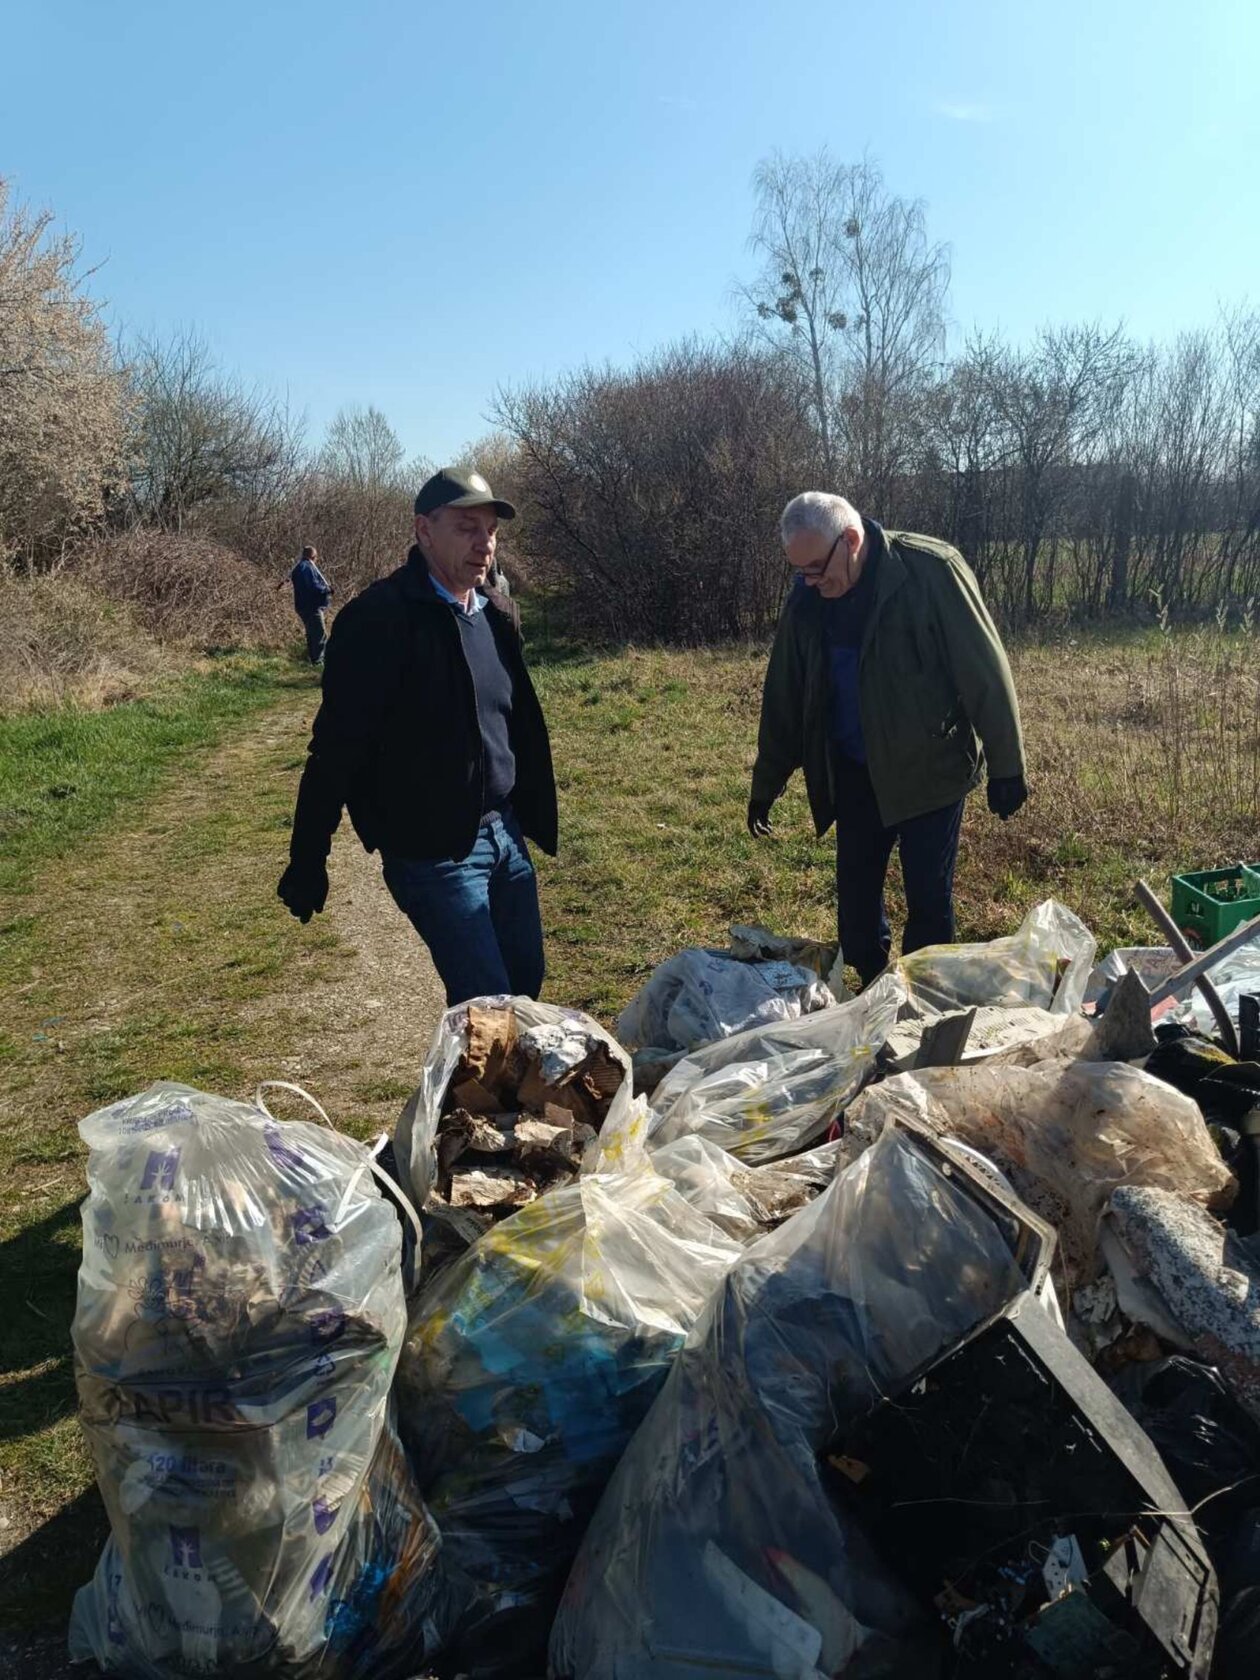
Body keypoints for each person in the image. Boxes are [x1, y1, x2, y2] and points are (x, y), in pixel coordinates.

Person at [276, 469, 557, 1006]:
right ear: (424, 531)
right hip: (435, 853)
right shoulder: (379, 619)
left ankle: (486, 1088)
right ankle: (466, 1092)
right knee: (488, 1009)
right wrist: (308, 855)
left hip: (505, 836)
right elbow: (336, 748)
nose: (484, 544)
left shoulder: (497, 614)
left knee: (525, 989)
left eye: (491, 530)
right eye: (466, 527)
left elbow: (512, 722)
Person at [747, 492, 1028, 987]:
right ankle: (874, 983)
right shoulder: (809, 594)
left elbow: (984, 670)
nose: (809, 582)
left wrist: (1008, 767)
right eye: (800, 572)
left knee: (928, 902)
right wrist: (768, 779)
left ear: (850, 541)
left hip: (930, 772)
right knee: (855, 910)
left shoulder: (930, 572)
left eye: (815, 568)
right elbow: (786, 690)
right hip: (853, 773)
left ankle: (927, 997)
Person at [277, 544, 334, 664]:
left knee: (311, 632)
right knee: (319, 633)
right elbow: (312, 587)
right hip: (311, 606)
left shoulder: (299, 567)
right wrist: (326, 590)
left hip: (302, 605)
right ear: (314, 556)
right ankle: (318, 661)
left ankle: (313, 658)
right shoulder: (306, 568)